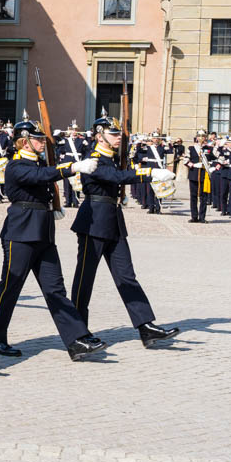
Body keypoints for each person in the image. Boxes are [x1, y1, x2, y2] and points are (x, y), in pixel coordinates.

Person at [0, 114, 106, 361]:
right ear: (24, 141)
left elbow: (45, 177)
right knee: (10, 286)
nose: (42, 142)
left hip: (43, 234)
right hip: (20, 233)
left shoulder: (39, 163)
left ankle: (75, 340)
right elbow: (39, 178)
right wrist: (72, 167)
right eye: (38, 139)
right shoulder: (16, 165)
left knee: (55, 289)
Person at [70, 113, 180, 348]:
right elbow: (117, 177)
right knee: (85, 278)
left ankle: (145, 325)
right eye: (113, 133)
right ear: (100, 136)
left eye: (119, 133)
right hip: (93, 220)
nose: (118, 137)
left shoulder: (110, 156)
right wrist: (150, 173)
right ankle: (77, 331)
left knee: (127, 276)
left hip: (113, 221)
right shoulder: (94, 157)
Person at [185, 130, 216, 224]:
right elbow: (185, 160)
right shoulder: (191, 148)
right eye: (200, 136)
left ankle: (202, 217)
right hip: (194, 174)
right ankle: (194, 216)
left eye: (203, 136)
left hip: (204, 175)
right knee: (193, 196)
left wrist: (213, 167)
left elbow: (217, 159)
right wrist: (193, 165)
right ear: (197, 137)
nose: (201, 138)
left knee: (204, 197)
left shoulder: (209, 149)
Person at [56, 120, 85, 208]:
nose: (74, 131)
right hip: (67, 161)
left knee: (76, 180)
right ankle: (68, 201)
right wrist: (55, 135)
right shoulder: (66, 140)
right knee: (67, 181)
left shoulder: (81, 141)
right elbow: (58, 147)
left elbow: (87, 149)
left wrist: (89, 136)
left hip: (77, 161)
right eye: (73, 130)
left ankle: (75, 201)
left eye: (76, 130)